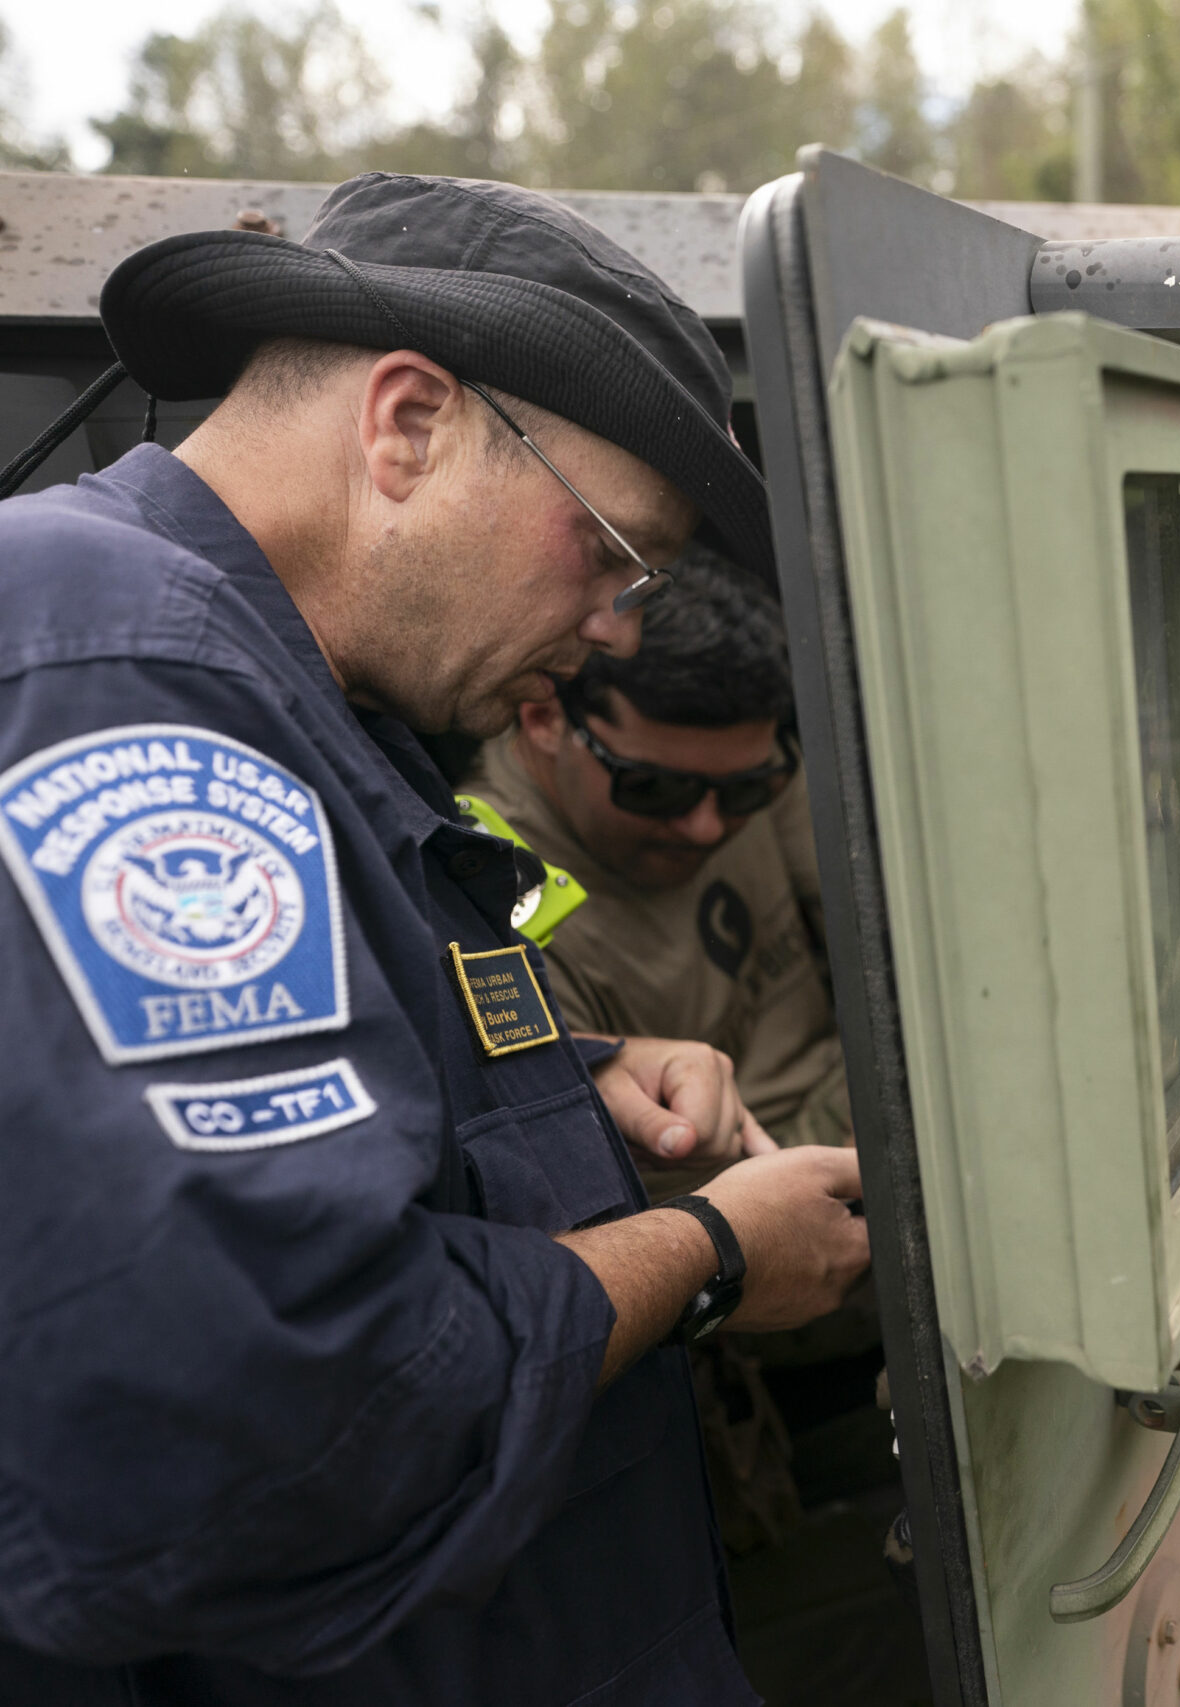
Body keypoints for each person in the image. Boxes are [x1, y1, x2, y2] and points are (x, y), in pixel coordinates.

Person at [0, 174, 870, 1704]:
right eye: (611, 548)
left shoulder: (292, 684)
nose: (615, 623)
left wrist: (565, 1079)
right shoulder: (125, 678)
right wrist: (716, 1251)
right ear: (406, 427)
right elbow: (282, 1399)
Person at [460, 559, 870, 1554]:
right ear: (542, 718)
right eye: (655, 787)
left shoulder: (733, 763)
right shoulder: (485, 903)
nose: (706, 825)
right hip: (749, 1252)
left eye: (747, 789)